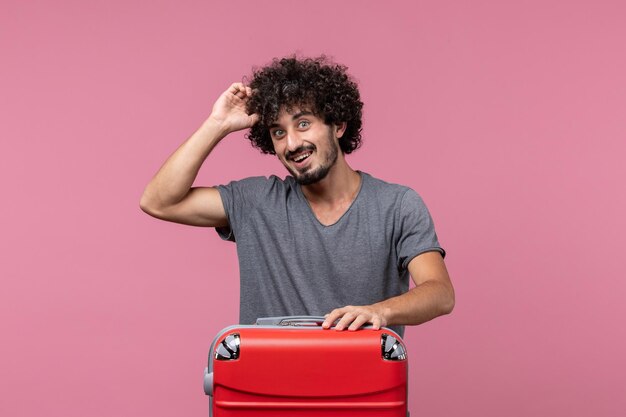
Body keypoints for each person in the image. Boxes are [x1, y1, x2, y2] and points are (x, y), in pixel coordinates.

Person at [140, 56, 454, 337]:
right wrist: (217, 124)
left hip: (361, 392)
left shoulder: (397, 205)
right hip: (267, 394)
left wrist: (378, 312)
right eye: (278, 132)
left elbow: (440, 293)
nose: (292, 144)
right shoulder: (257, 201)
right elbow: (159, 201)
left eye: (303, 123)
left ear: (338, 125)